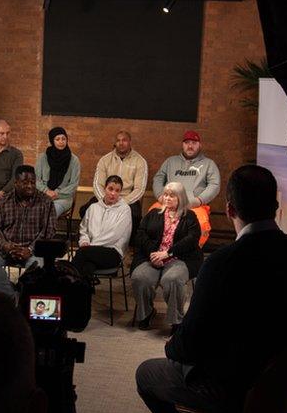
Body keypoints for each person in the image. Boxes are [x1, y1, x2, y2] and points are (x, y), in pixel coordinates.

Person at [135, 165, 287, 413]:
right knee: (195, 362)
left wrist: (173, 347)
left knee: (150, 374)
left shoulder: (222, 263)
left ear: (231, 210)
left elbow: (187, 346)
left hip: (242, 397)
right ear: (276, 207)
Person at [130, 181, 203, 331]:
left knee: (173, 279)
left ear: (181, 198)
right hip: (152, 257)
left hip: (179, 258)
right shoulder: (153, 214)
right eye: (166, 195)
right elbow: (140, 234)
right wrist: (153, 254)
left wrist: (167, 253)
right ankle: (146, 313)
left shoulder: (189, 216)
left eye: (172, 196)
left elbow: (192, 239)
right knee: (140, 277)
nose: (167, 198)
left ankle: (176, 320)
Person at [0, 165, 57, 299]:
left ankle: (25, 294)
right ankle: (13, 295)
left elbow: (49, 230)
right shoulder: (4, 201)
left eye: (33, 182)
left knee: (40, 267)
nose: (30, 186)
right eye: (25, 182)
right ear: (16, 183)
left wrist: (30, 249)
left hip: (33, 248)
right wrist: (5, 245)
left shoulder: (46, 202)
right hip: (7, 245)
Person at [151, 130, 220, 247]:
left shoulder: (209, 164)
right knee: (152, 215)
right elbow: (158, 178)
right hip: (168, 203)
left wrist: (199, 200)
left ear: (200, 145)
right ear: (183, 145)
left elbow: (215, 185)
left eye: (194, 142)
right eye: (187, 142)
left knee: (202, 224)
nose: (190, 146)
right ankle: (155, 249)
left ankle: (192, 252)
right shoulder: (170, 161)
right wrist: (160, 196)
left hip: (194, 205)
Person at [71, 175, 132, 281]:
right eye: (110, 189)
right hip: (91, 252)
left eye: (117, 191)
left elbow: (114, 235)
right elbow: (83, 229)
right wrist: (84, 241)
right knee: (87, 267)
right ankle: (83, 292)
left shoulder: (125, 210)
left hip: (113, 252)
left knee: (81, 253)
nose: (113, 193)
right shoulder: (93, 207)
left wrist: (90, 246)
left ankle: (66, 282)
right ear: (105, 189)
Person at [89, 131, 148, 230]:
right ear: (115, 143)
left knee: (135, 216)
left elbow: (140, 189)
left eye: (124, 140)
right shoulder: (105, 160)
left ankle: (127, 244)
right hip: (106, 196)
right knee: (86, 210)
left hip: (127, 199)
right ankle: (93, 241)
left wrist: (122, 202)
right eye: (118, 140)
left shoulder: (140, 161)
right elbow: (97, 184)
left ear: (130, 142)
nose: (121, 143)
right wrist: (105, 200)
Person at [36, 126, 81, 217]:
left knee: (50, 213)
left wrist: (57, 193)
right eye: (57, 139)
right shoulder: (42, 157)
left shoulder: (74, 160)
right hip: (43, 196)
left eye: (63, 139)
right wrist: (46, 191)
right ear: (52, 141)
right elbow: (36, 179)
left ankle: (46, 231)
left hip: (63, 198)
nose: (61, 142)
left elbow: (74, 184)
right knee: (32, 211)